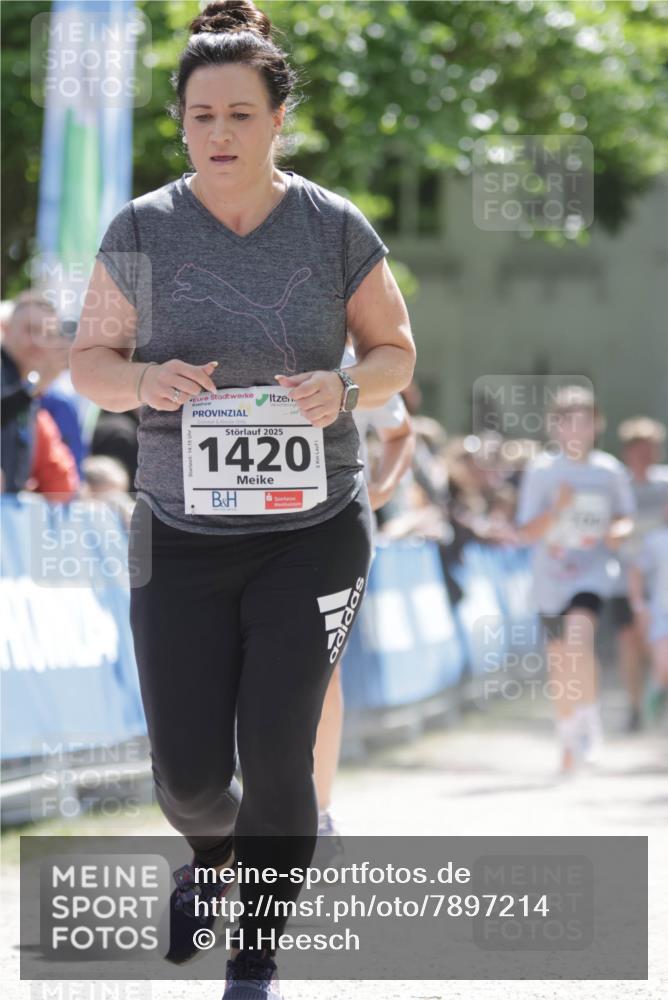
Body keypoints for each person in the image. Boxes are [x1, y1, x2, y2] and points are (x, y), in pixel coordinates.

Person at [69, 2, 416, 996]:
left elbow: (396, 352)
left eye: (237, 115)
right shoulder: (141, 225)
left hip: (310, 533)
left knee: (275, 754)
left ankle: (252, 956)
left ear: (275, 120)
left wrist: (341, 386)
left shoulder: (330, 223)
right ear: (181, 124)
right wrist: (144, 382)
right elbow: (89, 360)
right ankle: (212, 863)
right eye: (199, 117)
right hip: (176, 530)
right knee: (183, 773)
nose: (217, 134)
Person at [313, 336, 415, 855]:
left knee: (322, 670)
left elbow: (400, 433)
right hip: (232, 538)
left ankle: (320, 807)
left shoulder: (352, 360)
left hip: (327, 538)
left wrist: (378, 493)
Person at [516, 386, 635, 774]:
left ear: (597, 425)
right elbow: (527, 532)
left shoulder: (609, 471)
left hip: (593, 571)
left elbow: (625, 516)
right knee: (559, 659)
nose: (576, 430)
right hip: (550, 576)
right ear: (555, 426)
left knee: (579, 635)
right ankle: (568, 737)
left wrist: (619, 530)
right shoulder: (542, 471)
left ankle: (589, 717)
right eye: (567, 421)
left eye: (584, 421)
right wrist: (557, 509)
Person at [609, 417, 668, 730]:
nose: (647, 456)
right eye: (640, 450)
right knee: (629, 639)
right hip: (624, 578)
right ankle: (634, 705)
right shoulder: (618, 485)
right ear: (628, 452)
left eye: (652, 449)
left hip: (660, 581)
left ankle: (656, 687)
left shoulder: (665, 483)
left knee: (656, 640)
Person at [1, 291, 79, 500]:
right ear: (6, 330)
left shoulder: (27, 384)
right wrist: (36, 385)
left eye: (47, 334)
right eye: (30, 330)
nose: (37, 341)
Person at [628, 503, 668, 728]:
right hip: (662, 612)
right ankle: (655, 699)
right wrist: (638, 605)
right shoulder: (656, 540)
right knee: (663, 665)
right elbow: (636, 570)